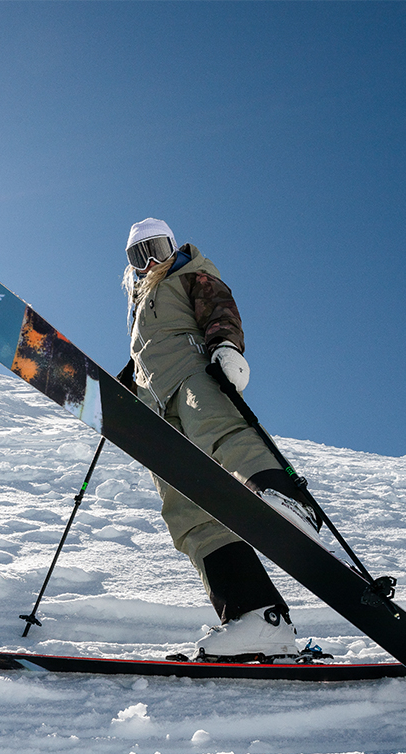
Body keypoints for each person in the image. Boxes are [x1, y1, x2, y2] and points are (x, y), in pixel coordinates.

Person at [120, 218, 321, 661]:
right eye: (140, 255)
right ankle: (256, 616)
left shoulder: (191, 273)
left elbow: (219, 310)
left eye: (157, 248)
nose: (151, 261)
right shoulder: (137, 305)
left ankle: (283, 498)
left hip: (194, 375)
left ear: (175, 245)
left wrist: (225, 346)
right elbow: (145, 355)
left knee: (220, 430)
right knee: (187, 510)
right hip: (155, 406)